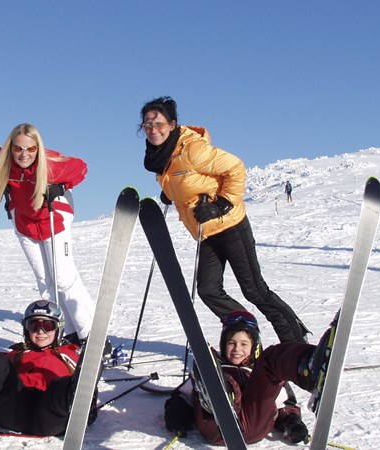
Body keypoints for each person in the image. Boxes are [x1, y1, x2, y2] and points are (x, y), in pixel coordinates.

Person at [139, 96, 308, 343]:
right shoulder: (161, 156)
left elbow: (236, 168)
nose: (153, 129)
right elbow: (188, 182)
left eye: (159, 124)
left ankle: (295, 342)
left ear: (173, 125)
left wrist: (222, 203)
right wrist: (170, 192)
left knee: (254, 290)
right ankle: (244, 331)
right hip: (206, 233)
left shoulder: (192, 149)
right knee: (208, 290)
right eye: (147, 125)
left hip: (231, 226)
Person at [0, 123, 96, 346]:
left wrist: (60, 187)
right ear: (10, 149)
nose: (24, 154)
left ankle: (90, 335)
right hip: (25, 226)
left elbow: (81, 168)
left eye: (30, 149)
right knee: (45, 281)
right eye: (18, 149)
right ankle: (65, 331)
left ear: (38, 148)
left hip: (54, 222)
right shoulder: (3, 162)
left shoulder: (51, 165)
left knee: (63, 278)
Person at [163, 310, 328, 445]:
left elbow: (284, 404)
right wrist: (177, 412)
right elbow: (182, 395)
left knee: (270, 359)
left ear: (254, 346)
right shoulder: (215, 365)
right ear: (223, 344)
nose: (236, 349)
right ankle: (219, 398)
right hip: (214, 426)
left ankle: (310, 369)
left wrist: (291, 422)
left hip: (252, 422)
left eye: (244, 344)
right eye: (231, 343)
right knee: (212, 369)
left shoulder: (258, 371)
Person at [0, 299, 95, 436]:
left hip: (49, 414)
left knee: (64, 385)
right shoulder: (17, 354)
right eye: (34, 325)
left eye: (48, 325)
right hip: (13, 408)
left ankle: (76, 398)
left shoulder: (68, 354)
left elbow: (78, 377)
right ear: (26, 329)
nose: (40, 331)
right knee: (2, 366)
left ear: (58, 328)